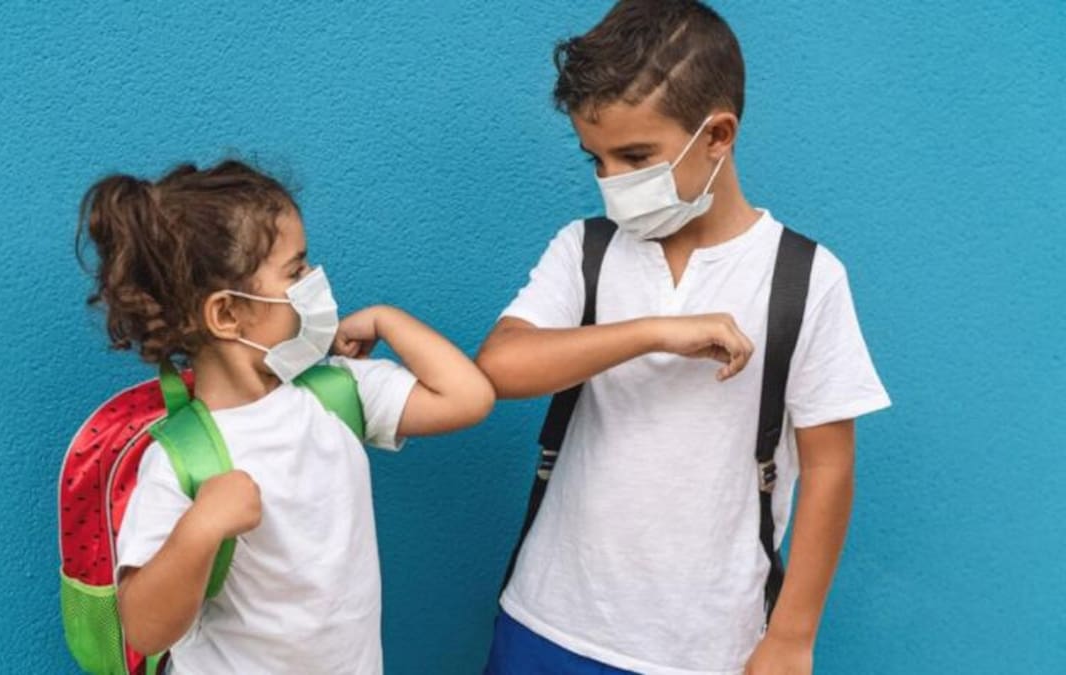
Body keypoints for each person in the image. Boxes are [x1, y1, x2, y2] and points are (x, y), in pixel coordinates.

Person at [478, 2, 890, 673]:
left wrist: (790, 635)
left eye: (636, 156)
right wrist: (652, 333)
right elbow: (500, 366)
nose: (612, 181)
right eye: (597, 158)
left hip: (704, 647)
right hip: (547, 621)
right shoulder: (587, 249)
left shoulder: (804, 277)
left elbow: (829, 467)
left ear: (718, 134)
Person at [78, 159, 494, 673]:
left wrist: (388, 318)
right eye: (296, 272)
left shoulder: (337, 394)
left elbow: (468, 398)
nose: (314, 283)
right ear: (227, 314)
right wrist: (200, 529)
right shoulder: (182, 456)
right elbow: (143, 628)